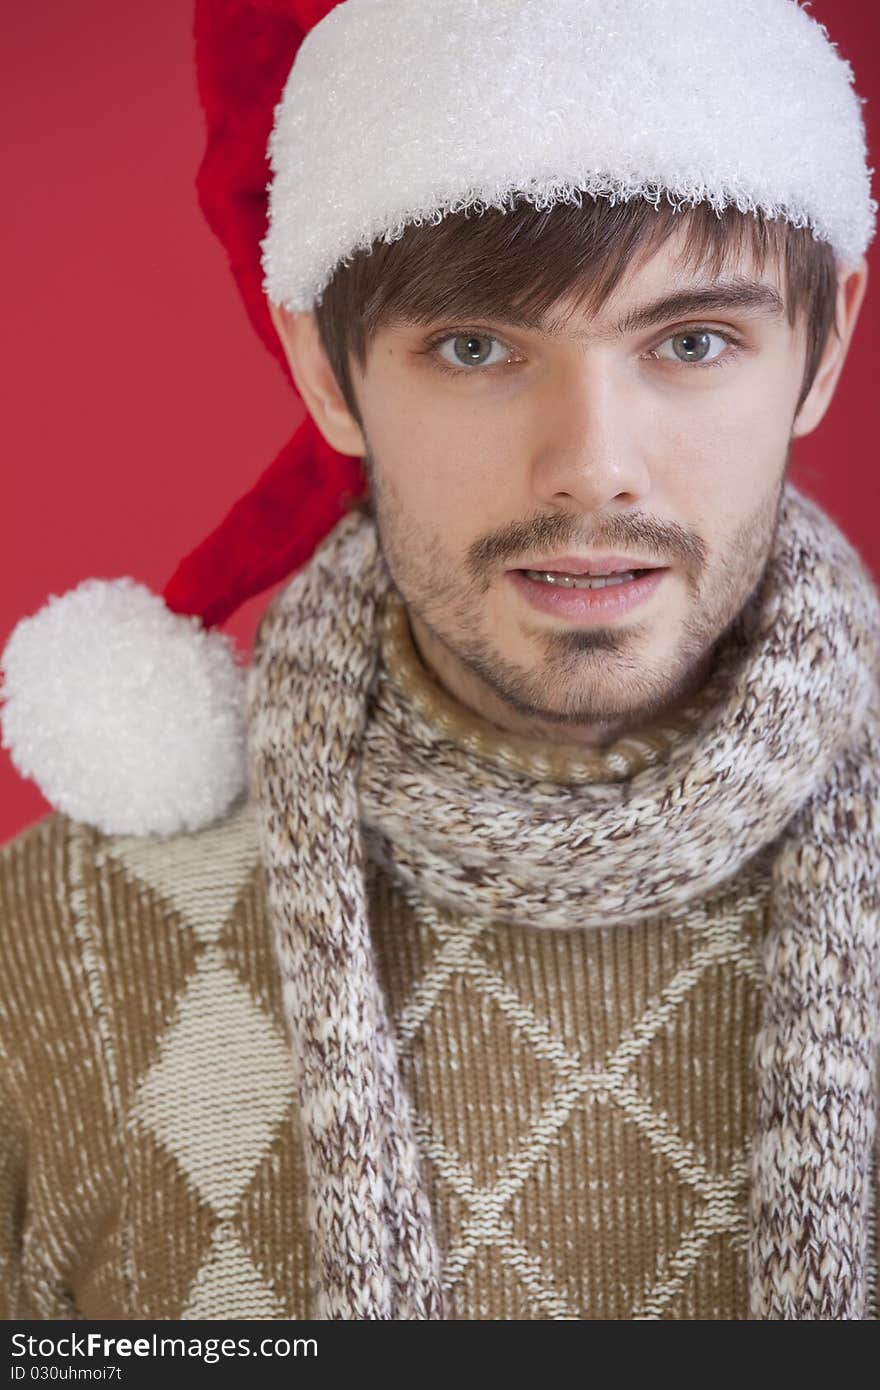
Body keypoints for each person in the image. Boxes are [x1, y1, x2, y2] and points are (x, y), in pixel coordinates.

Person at [1, 0, 879, 1321]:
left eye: (693, 342)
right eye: (476, 347)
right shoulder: (61, 933)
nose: (593, 462)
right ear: (323, 365)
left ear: (827, 341)